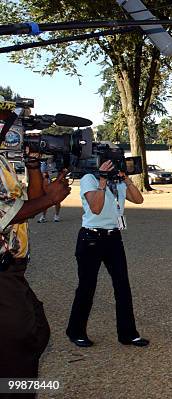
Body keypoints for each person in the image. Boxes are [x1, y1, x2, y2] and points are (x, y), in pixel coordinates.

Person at [0, 149, 70, 386]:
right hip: (3, 275)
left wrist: (33, 168)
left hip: (13, 270)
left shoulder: (2, 161)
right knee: (20, 344)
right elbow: (6, 213)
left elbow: (26, 204)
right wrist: (50, 199)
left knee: (37, 332)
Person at [66, 160, 149, 348]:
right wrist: (102, 180)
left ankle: (128, 334)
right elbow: (95, 208)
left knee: (122, 286)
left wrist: (126, 180)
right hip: (91, 239)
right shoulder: (89, 179)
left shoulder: (118, 182)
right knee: (87, 287)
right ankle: (76, 331)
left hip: (113, 238)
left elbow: (138, 199)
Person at [37, 158, 62, 223]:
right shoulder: (43, 164)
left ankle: (56, 215)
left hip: (55, 184)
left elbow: (60, 173)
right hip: (47, 184)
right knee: (45, 201)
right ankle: (43, 216)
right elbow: (42, 174)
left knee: (57, 200)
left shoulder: (57, 163)